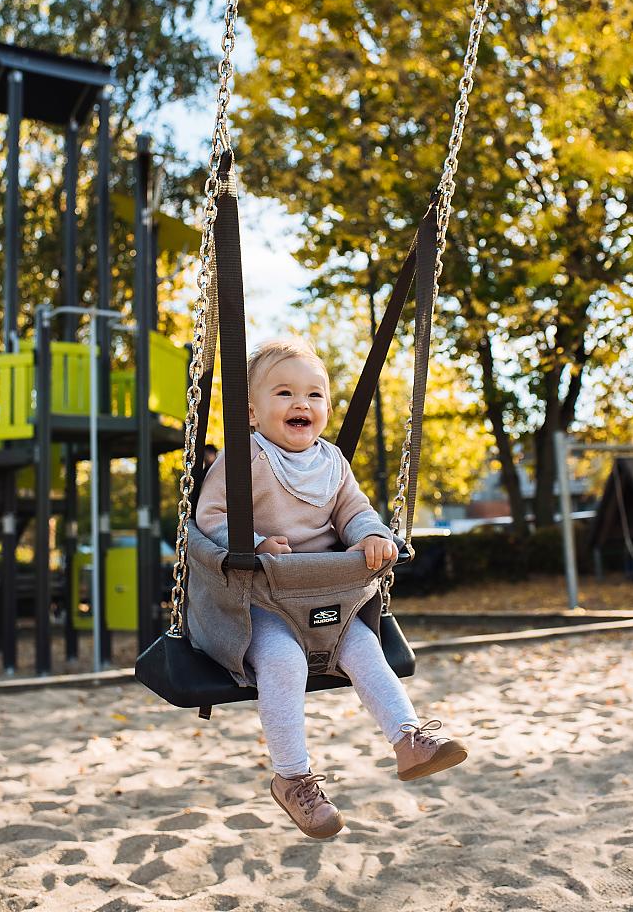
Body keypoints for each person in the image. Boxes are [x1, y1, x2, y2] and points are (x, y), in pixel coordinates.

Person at [196, 338, 467, 839]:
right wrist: (252, 543)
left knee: (366, 649)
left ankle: (409, 740)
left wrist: (370, 534)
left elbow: (354, 511)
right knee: (284, 662)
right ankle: (293, 777)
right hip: (263, 603)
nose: (301, 404)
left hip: (330, 599)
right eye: (284, 393)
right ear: (251, 413)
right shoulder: (244, 458)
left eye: (314, 395)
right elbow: (209, 517)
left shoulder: (333, 461)